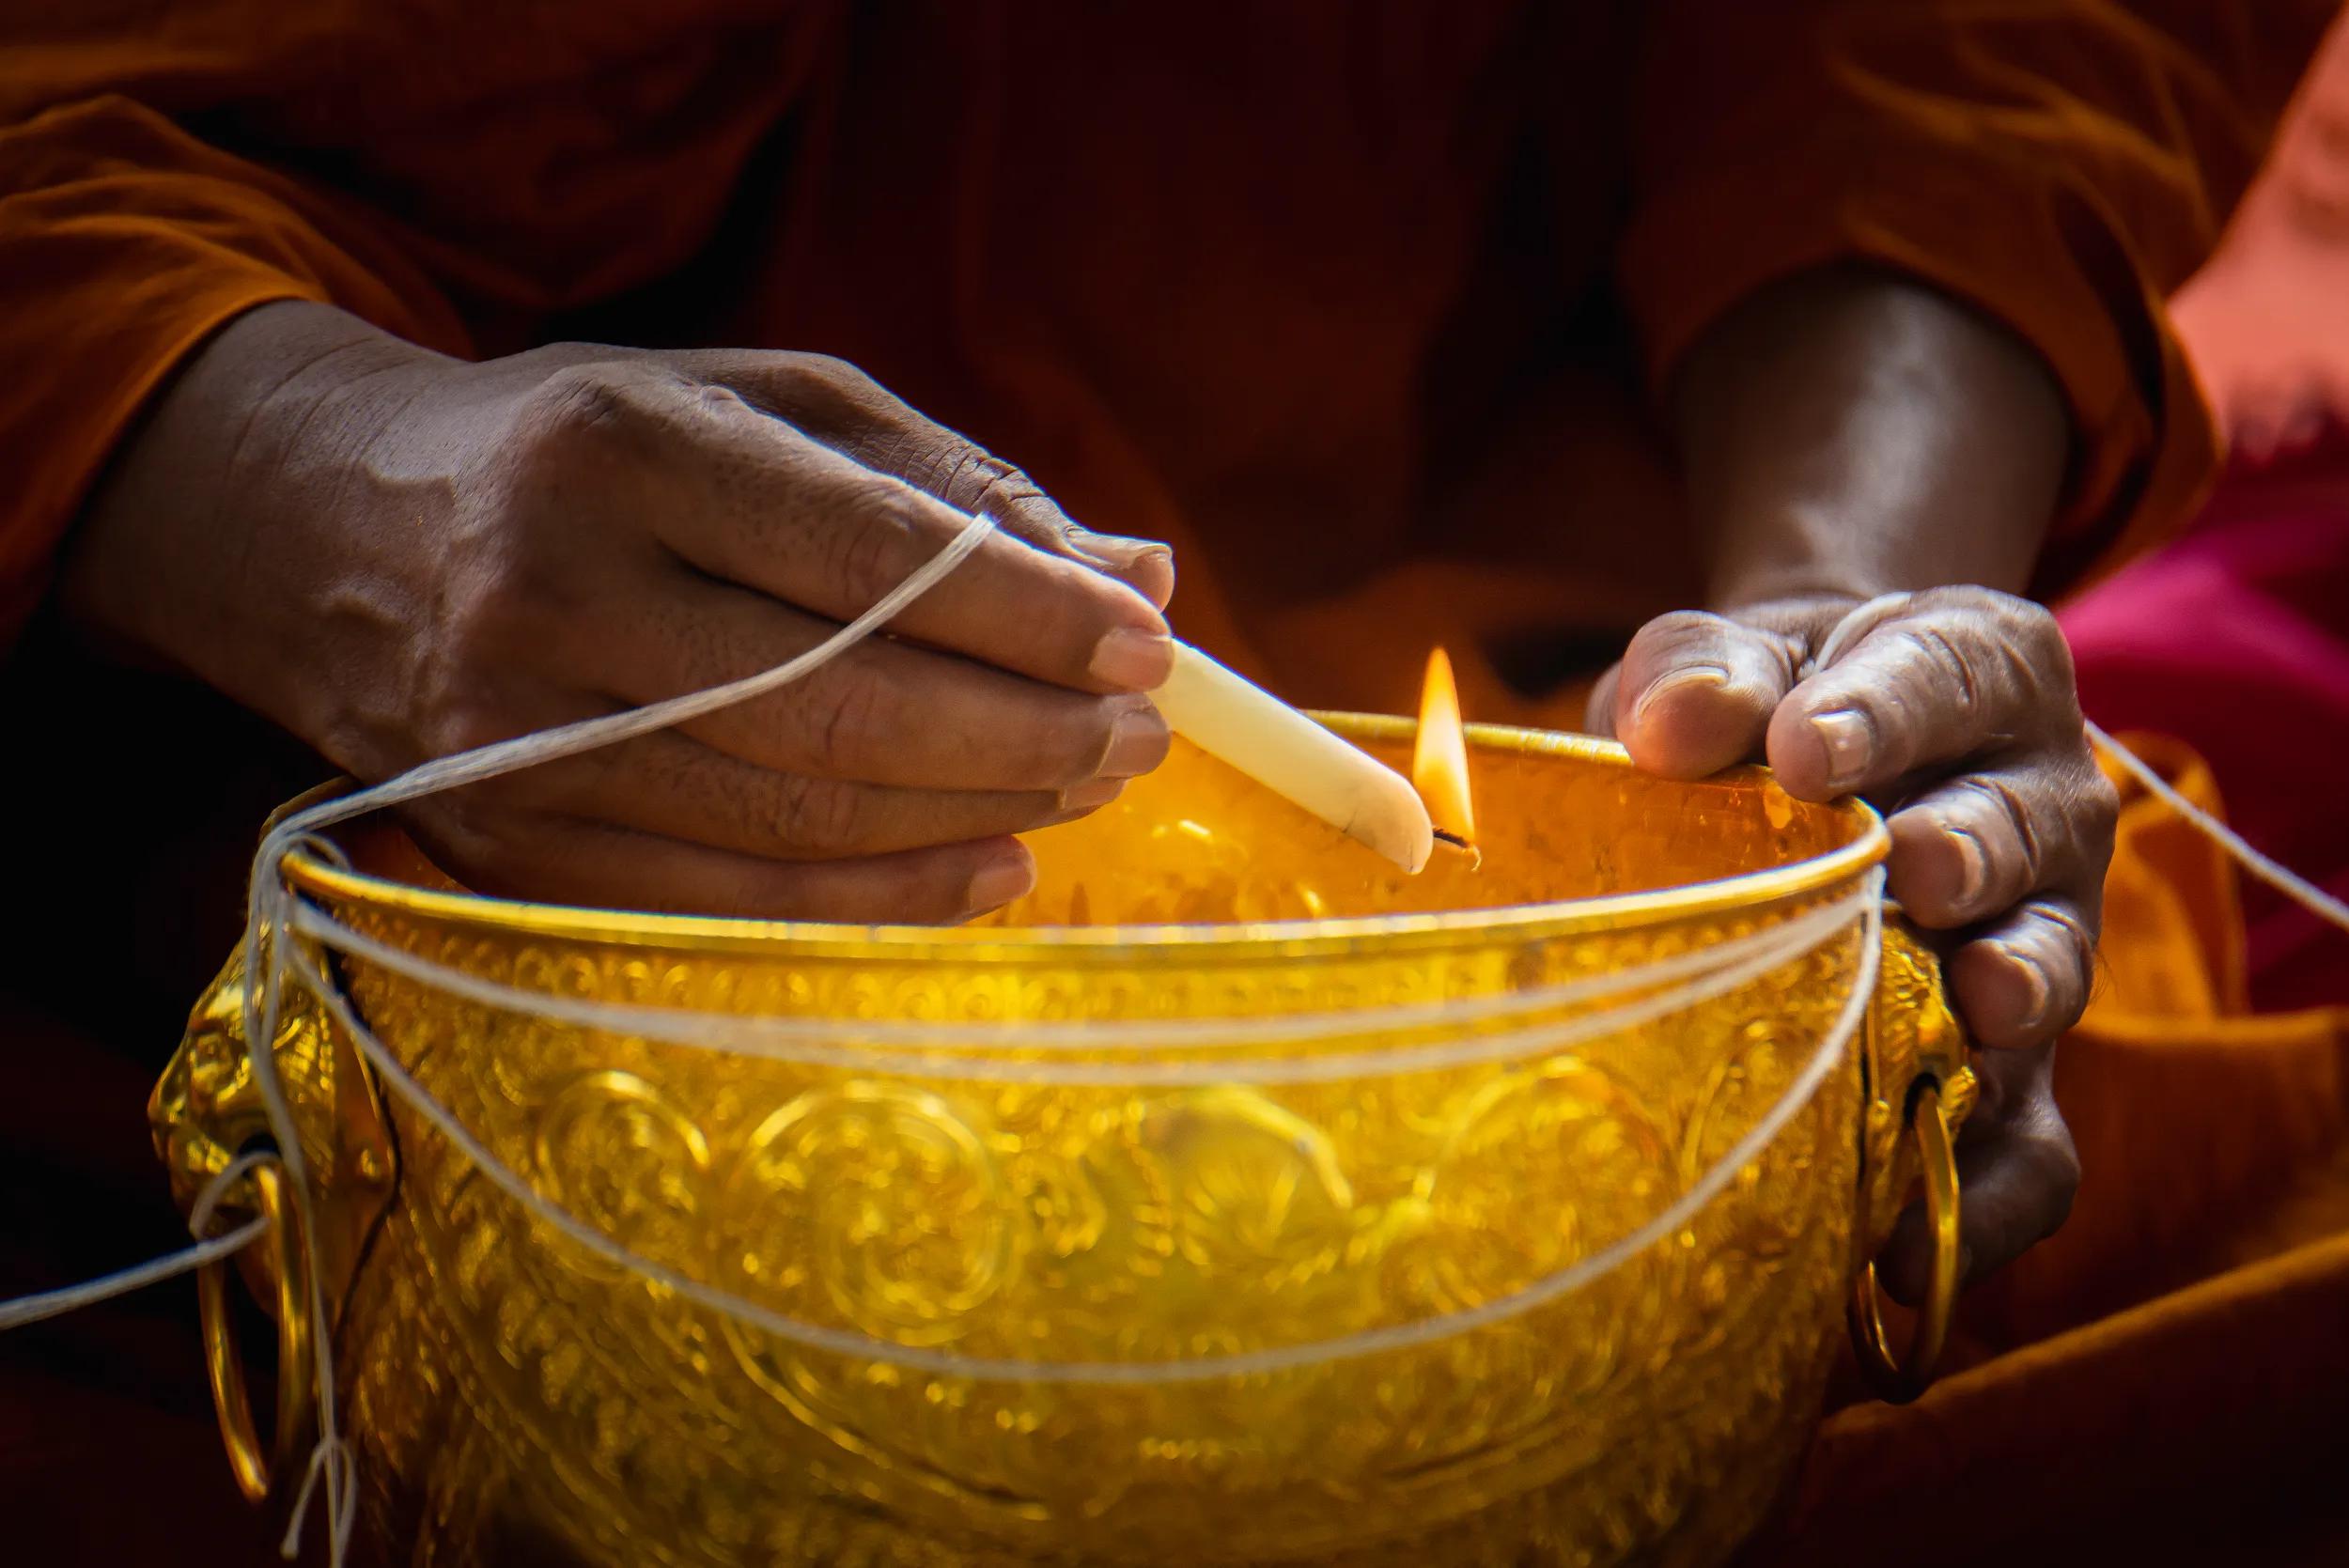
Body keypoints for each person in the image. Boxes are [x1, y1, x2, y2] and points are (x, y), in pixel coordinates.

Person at [0, 2, 2333, 1560]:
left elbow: (1961, 73)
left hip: (1610, 982)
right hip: (309, 1001)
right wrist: (312, 482)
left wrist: (1838, 657)